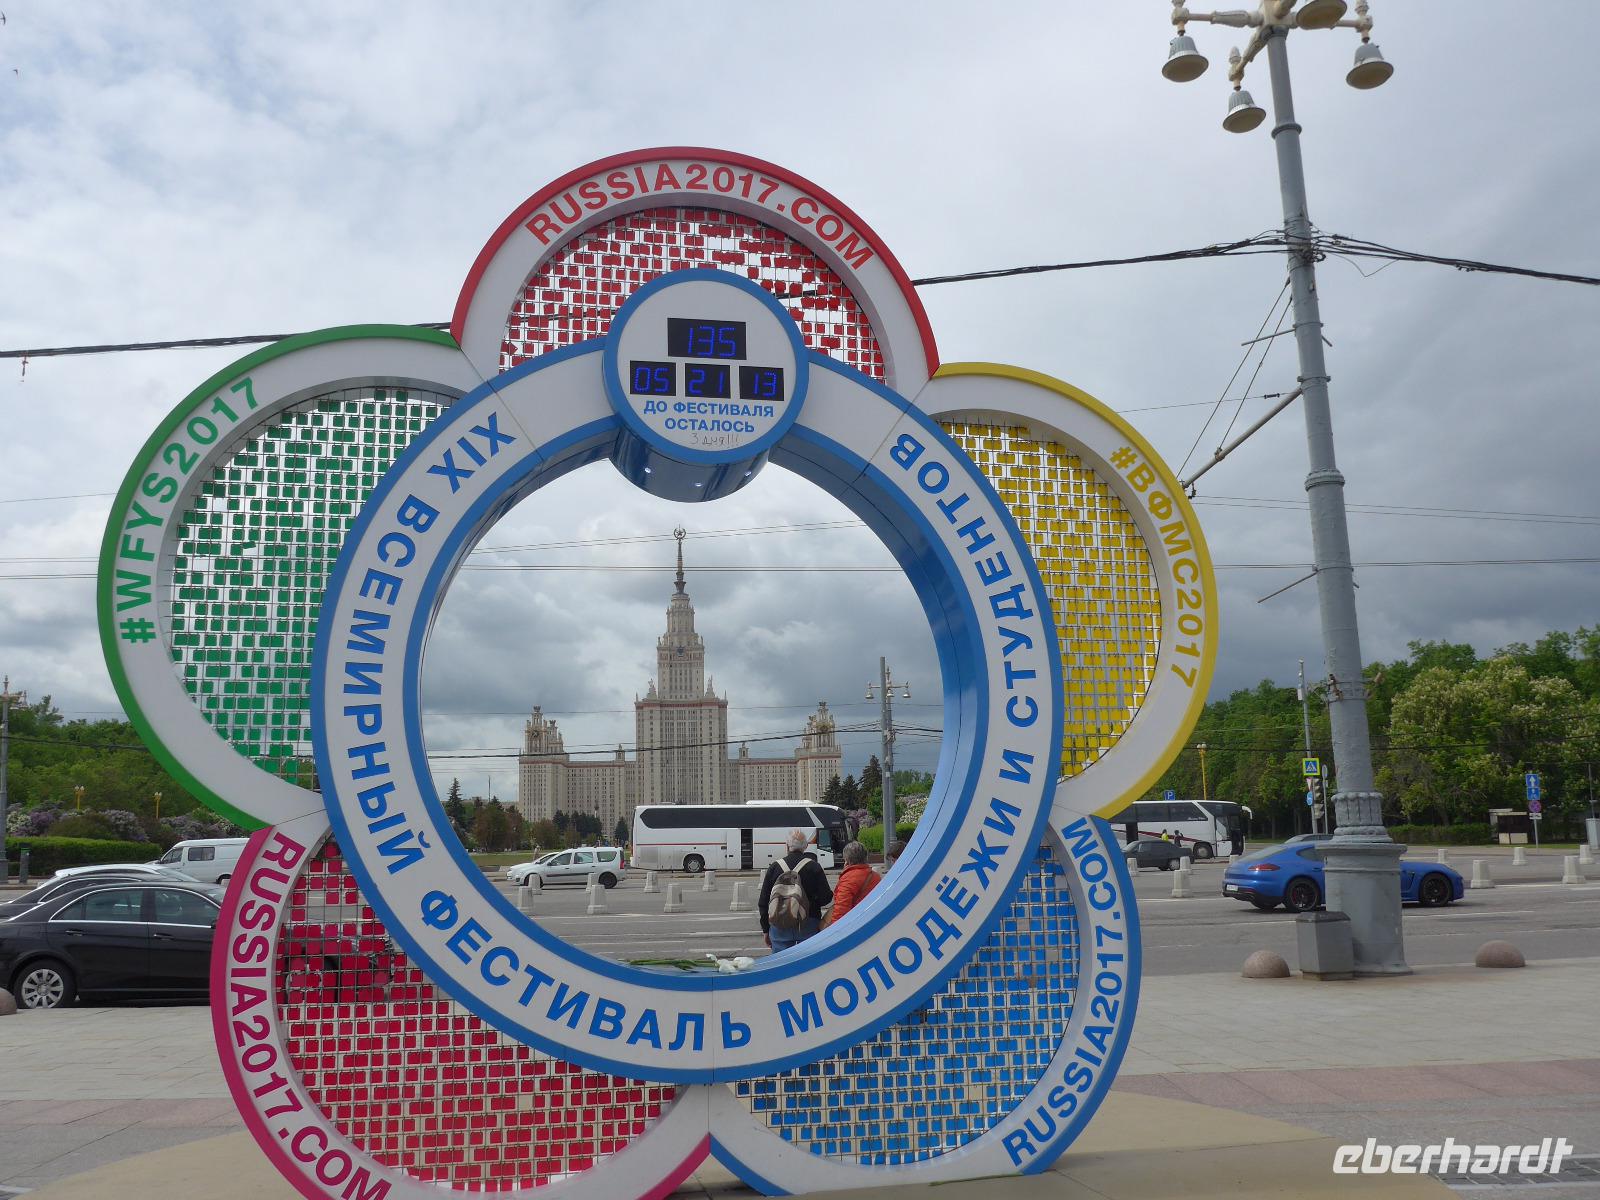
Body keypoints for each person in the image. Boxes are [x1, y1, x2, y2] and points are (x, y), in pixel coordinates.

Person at [759, 830, 833, 952]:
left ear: (787, 845)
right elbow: (826, 898)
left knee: (781, 964)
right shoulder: (814, 867)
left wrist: (766, 929)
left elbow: (763, 901)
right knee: (809, 962)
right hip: (808, 922)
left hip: (779, 923)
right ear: (806, 846)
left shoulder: (775, 867)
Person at [825, 841, 878, 927]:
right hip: (871, 922)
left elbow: (841, 909)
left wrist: (835, 930)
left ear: (847, 860)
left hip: (854, 925)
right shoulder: (875, 876)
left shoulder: (848, 879)